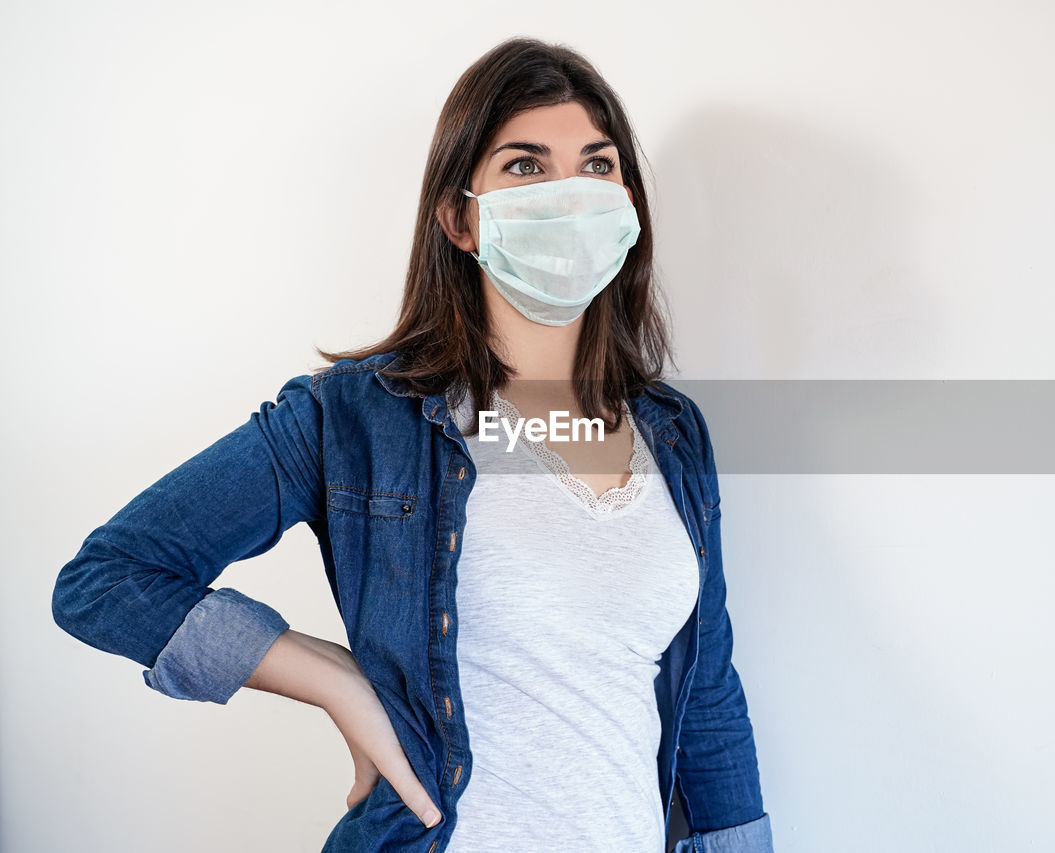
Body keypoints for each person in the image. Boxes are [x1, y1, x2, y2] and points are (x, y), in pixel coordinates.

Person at [52, 36, 772, 852]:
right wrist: (334, 680)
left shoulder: (672, 432)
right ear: (461, 218)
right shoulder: (356, 415)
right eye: (527, 167)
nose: (572, 194)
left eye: (597, 165)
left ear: (629, 204)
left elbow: (707, 695)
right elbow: (105, 580)